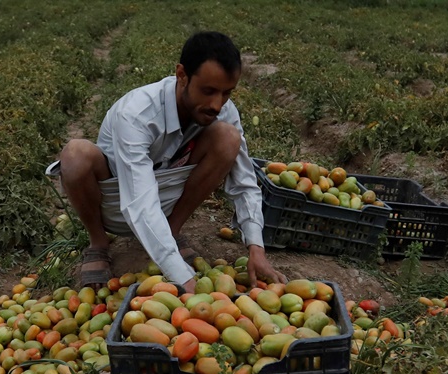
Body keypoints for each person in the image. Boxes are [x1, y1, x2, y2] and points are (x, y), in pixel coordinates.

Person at [53, 30, 285, 292]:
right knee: (74, 154)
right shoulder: (137, 113)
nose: (217, 104)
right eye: (208, 91)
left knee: (228, 138)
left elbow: (244, 180)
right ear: (182, 75)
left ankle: (172, 232)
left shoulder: (222, 112)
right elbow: (139, 201)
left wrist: (256, 248)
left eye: (226, 93)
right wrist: (181, 275)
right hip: (116, 198)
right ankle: (98, 242)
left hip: (168, 196)